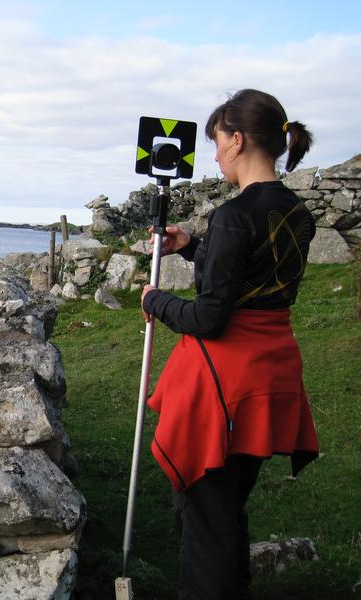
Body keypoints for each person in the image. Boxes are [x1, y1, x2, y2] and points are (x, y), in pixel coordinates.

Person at [140, 89, 320, 599]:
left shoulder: (234, 214)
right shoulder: (298, 212)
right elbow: (255, 277)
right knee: (227, 506)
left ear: (238, 140)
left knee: (205, 522)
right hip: (275, 372)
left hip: (226, 387)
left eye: (219, 142)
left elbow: (210, 317)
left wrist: (156, 301)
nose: (216, 155)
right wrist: (195, 246)